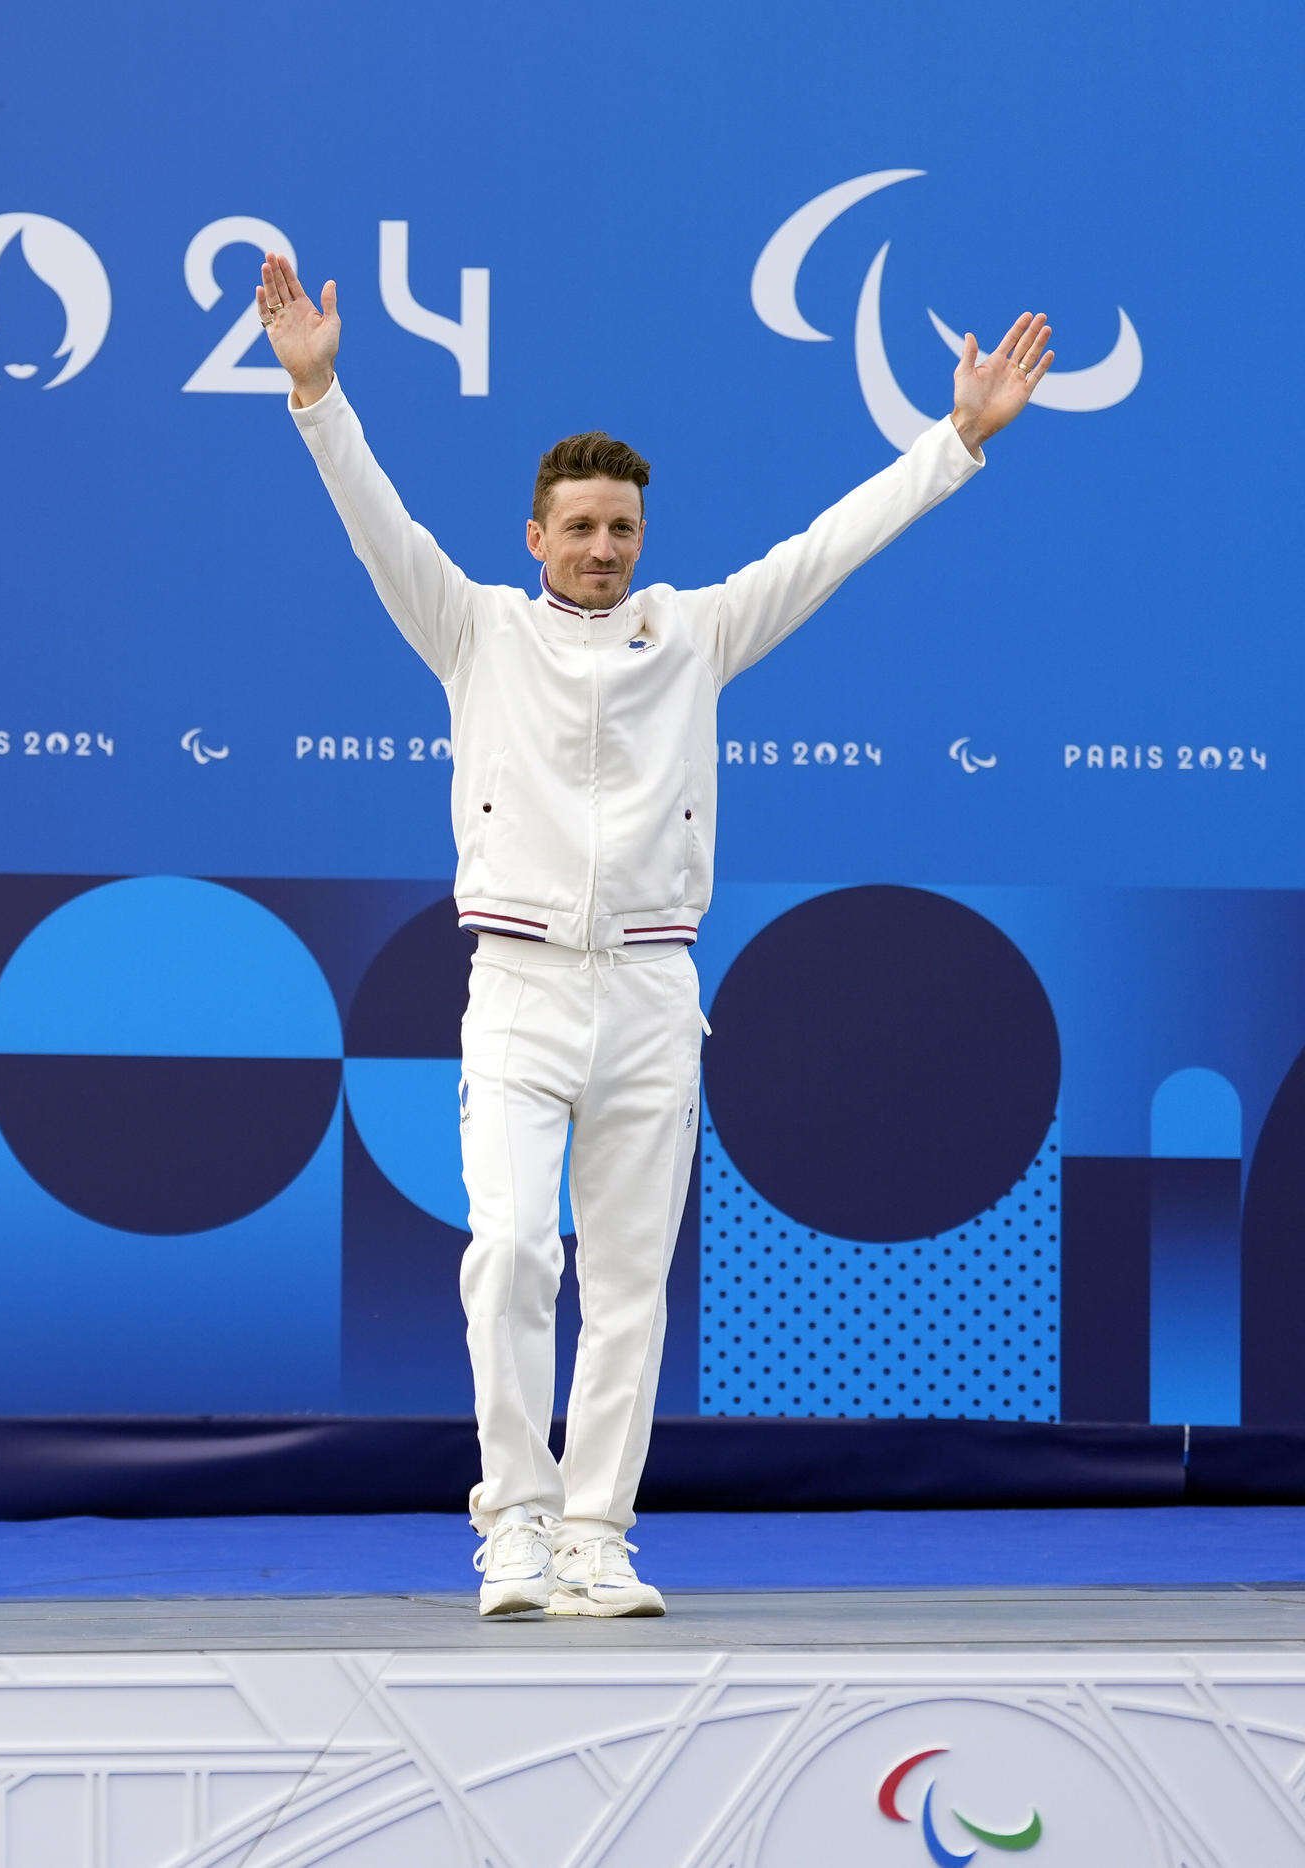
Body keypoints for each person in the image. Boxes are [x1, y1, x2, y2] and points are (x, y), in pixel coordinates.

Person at [258, 252, 1050, 1617]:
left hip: (649, 995)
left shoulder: (695, 635)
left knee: (627, 1283)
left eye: (622, 527)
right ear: (534, 537)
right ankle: (509, 1524)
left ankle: (597, 1536)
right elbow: (375, 522)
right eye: (579, 527)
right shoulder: (474, 631)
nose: (604, 548)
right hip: (514, 990)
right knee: (511, 1253)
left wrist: (954, 443)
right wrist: (319, 390)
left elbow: (827, 547)